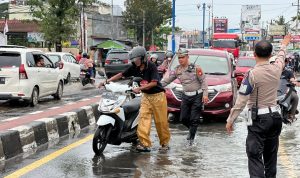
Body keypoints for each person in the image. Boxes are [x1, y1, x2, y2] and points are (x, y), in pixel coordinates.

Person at [226, 35, 292, 178]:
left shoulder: (252, 74)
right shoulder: (277, 68)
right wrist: (283, 45)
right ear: (270, 55)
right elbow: (281, 57)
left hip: (259, 120)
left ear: (254, 54)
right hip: (275, 118)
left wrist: (230, 120)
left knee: (255, 157)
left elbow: (241, 101)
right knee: (271, 158)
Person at [98, 46, 170, 152]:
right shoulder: (134, 66)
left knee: (161, 122)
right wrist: (107, 81)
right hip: (146, 96)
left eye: (137, 59)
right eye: (134, 60)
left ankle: (164, 144)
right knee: (143, 119)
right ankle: (145, 144)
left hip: (158, 96)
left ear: (143, 58)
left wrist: (139, 88)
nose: (135, 61)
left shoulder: (151, 66)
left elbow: (154, 83)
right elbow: (121, 74)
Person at [160, 49, 209, 146]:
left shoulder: (196, 68)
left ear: (187, 57)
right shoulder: (177, 70)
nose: (180, 59)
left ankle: (191, 140)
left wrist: (205, 94)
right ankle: (192, 130)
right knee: (183, 119)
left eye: (182, 57)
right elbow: (167, 81)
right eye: (179, 58)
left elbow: (203, 81)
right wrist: (156, 86)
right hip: (186, 96)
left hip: (197, 96)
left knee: (194, 119)